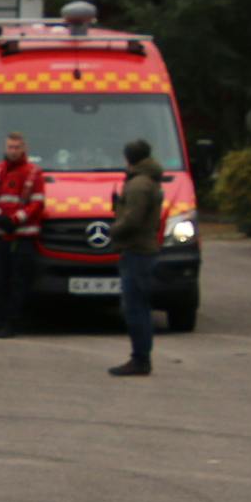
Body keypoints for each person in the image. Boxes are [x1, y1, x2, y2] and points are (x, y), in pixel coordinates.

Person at [105, 137, 165, 376]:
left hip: (137, 251)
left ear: (129, 158)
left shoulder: (138, 184)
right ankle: (141, 357)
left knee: (135, 307)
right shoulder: (147, 180)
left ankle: (140, 358)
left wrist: (113, 229)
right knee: (138, 305)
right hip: (143, 250)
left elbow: (133, 219)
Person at [0, 131, 45, 338]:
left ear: (24, 149)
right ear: (5, 148)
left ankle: (10, 324)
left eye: (17, 147)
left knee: (17, 284)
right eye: (10, 147)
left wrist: (16, 219)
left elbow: (37, 202)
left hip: (22, 238)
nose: (13, 151)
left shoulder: (34, 173)